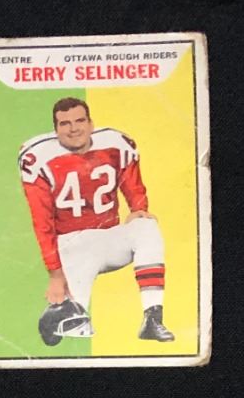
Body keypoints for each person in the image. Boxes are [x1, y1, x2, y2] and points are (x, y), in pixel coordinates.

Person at [19, 96, 172, 345]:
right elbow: (42, 222)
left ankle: (153, 318)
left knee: (147, 226)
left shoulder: (115, 143)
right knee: (71, 325)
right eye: (65, 123)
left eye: (80, 121)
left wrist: (138, 207)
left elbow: (132, 181)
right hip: (72, 244)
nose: (74, 129)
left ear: (91, 124)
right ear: (55, 129)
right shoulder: (38, 157)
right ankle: (59, 316)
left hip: (109, 238)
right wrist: (55, 274)